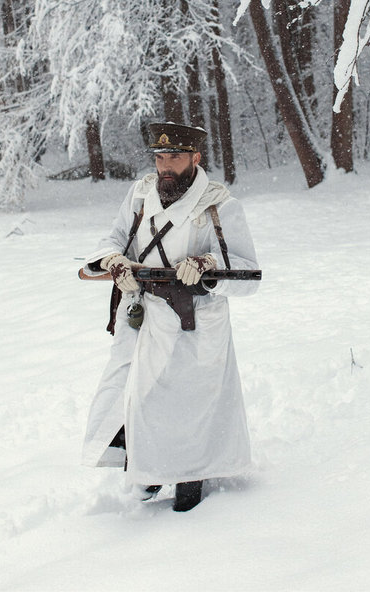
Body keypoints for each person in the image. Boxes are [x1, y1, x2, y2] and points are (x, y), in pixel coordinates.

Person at [81, 122, 259, 511]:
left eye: (174, 157)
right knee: (136, 396)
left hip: (193, 321)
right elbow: (113, 238)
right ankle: (147, 469)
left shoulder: (218, 204)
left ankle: (190, 476)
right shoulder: (142, 193)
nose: (165, 165)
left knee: (188, 405)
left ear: (195, 158)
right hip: (144, 313)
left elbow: (248, 274)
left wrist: (209, 266)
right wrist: (114, 259)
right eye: (160, 157)